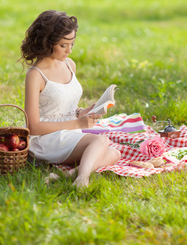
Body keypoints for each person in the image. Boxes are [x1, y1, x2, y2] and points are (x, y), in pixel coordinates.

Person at [19, 10, 121, 188]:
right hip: (46, 139)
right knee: (100, 141)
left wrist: (83, 112)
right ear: (47, 43)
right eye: (63, 45)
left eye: (72, 43)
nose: (69, 50)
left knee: (114, 152)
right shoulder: (35, 75)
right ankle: (82, 179)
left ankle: (69, 173)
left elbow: (64, 109)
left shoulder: (69, 64)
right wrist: (78, 124)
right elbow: (32, 126)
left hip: (69, 133)